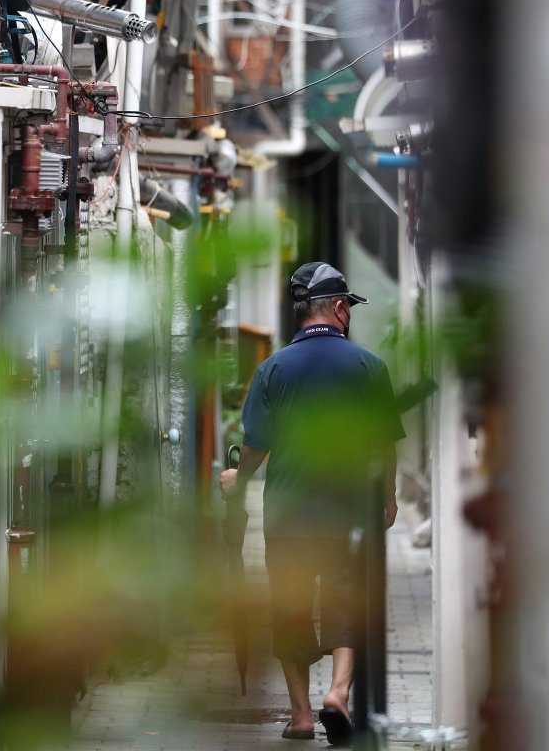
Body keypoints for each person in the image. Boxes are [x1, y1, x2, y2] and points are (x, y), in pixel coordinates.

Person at [219, 262, 405, 745]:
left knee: (292, 608)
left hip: (289, 519)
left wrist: (239, 480)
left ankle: (301, 716)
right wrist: (388, 496)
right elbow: (386, 444)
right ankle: (338, 694)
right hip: (350, 515)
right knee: (347, 602)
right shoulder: (369, 366)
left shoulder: (272, 368)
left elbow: (256, 444)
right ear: (339, 308)